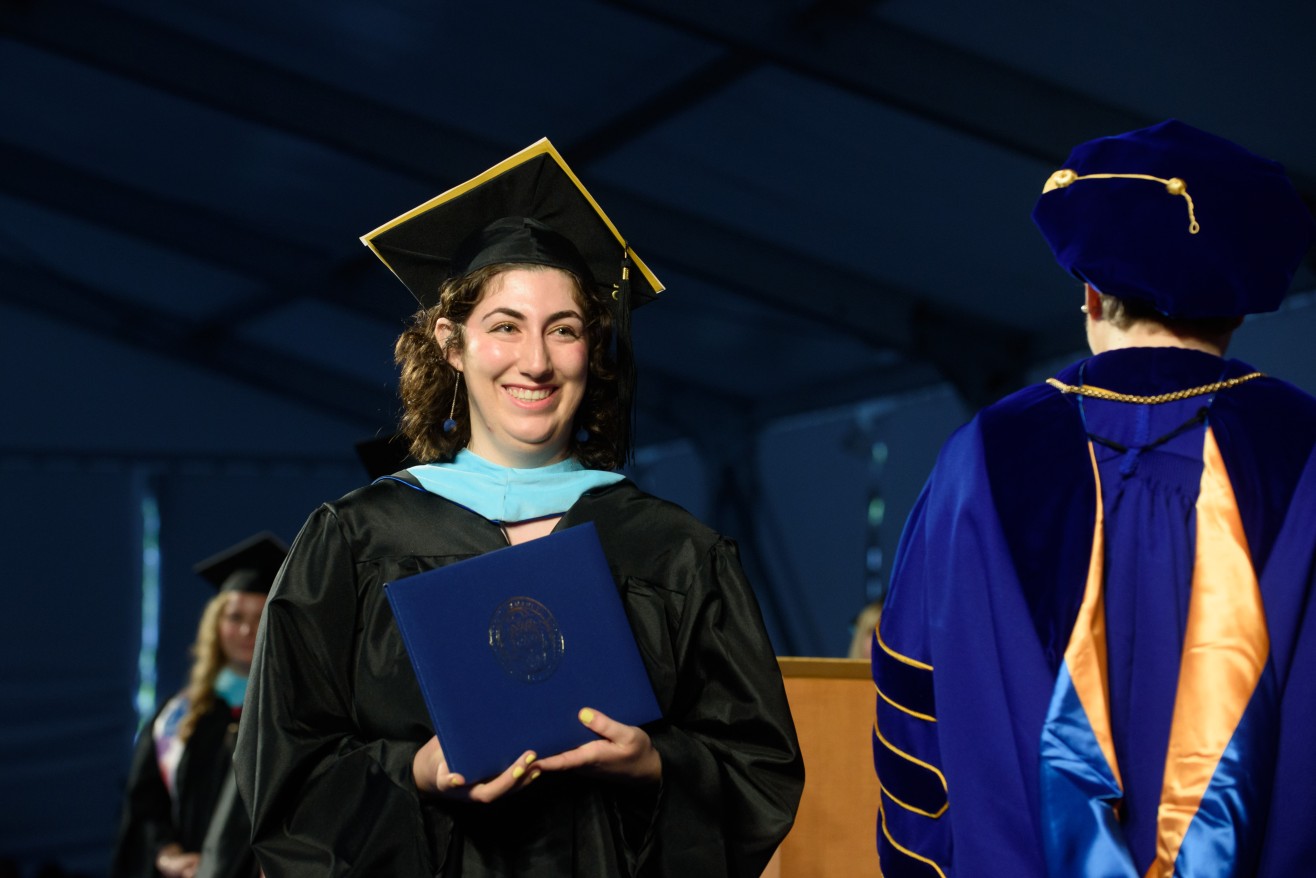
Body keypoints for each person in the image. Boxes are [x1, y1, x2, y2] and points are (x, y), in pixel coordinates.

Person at [234, 138, 803, 877]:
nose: (535, 360)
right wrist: (418, 771)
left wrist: (657, 764)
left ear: (591, 351)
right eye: (504, 325)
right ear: (452, 345)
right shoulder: (356, 540)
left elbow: (759, 774)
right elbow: (284, 776)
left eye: (563, 329)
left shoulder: (675, 553)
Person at [871, 119, 1316, 877]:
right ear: (1238, 305)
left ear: (1090, 293)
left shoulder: (981, 456)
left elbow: (918, 708)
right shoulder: (1302, 450)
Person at [112, 533, 287, 878]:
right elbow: (144, 806)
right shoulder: (175, 718)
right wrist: (167, 855)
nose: (248, 630)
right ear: (215, 625)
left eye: (261, 616)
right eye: (235, 617)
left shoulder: (292, 711)